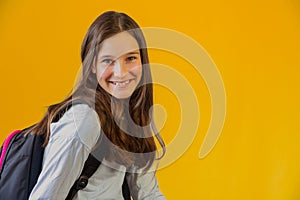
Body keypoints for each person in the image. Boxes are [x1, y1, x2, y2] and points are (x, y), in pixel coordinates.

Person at [27, 11, 166, 199]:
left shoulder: (130, 116)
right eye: (108, 61)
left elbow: (148, 194)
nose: (121, 72)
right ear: (92, 65)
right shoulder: (85, 119)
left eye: (130, 58)